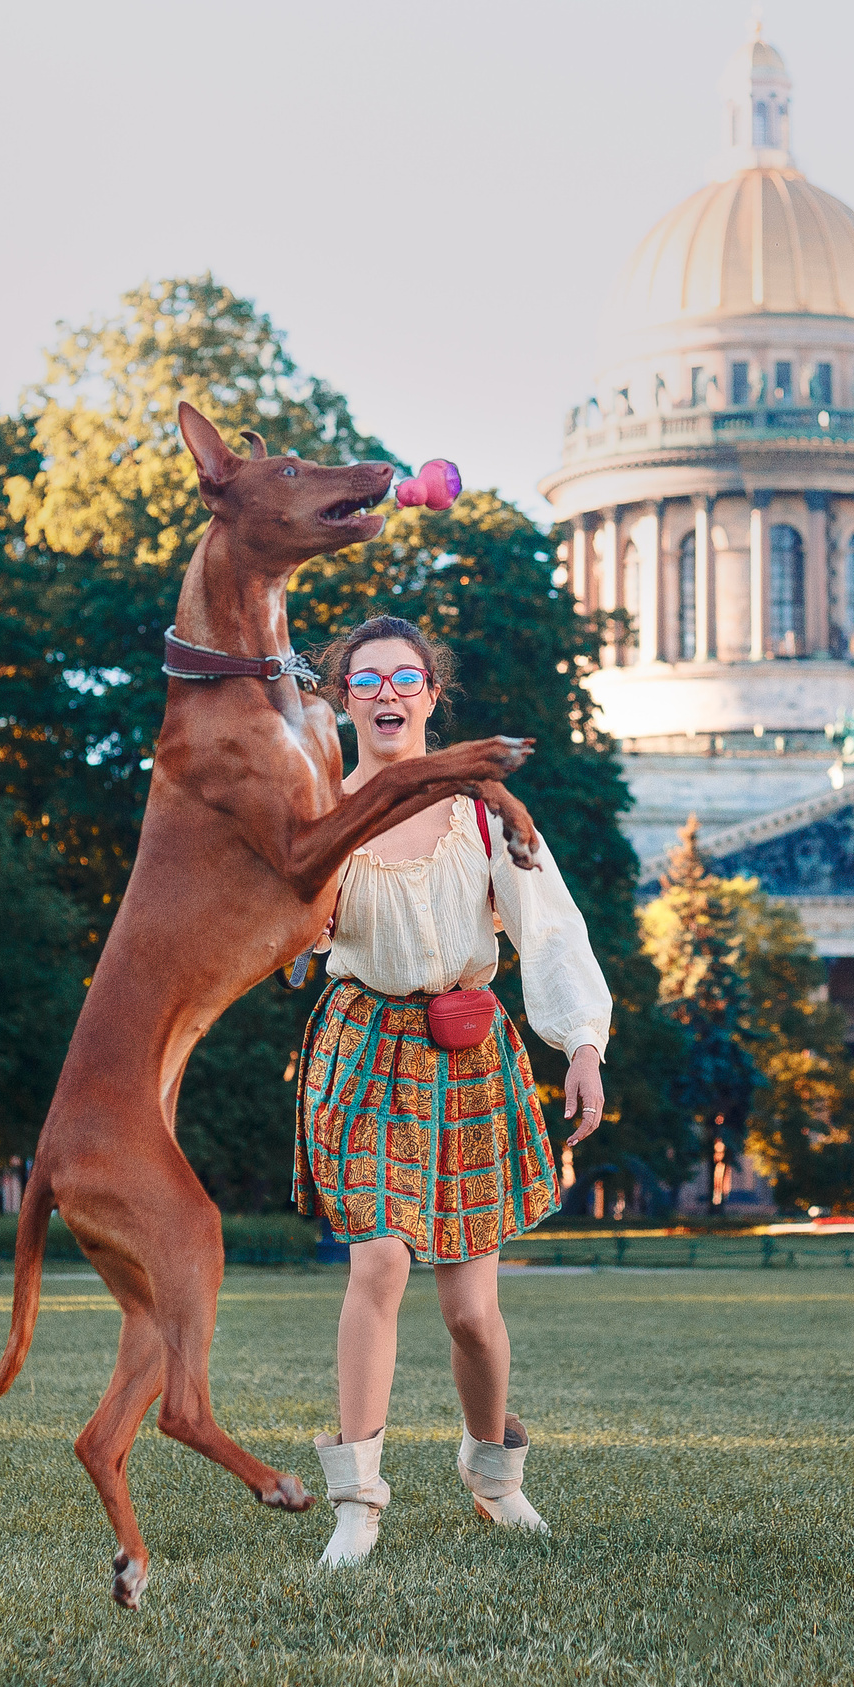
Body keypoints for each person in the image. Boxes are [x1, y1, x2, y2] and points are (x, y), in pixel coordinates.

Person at [292, 613, 610, 1568]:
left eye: (406, 678)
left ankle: (494, 1476)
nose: (387, 693)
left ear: (433, 695)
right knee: (379, 1262)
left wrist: (583, 1045)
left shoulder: (483, 811)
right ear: (344, 698)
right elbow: (284, 935)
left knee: (472, 1311)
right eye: (366, 679)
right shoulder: (317, 814)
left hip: (469, 1052)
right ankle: (358, 1501)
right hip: (361, 1050)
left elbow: (547, 924)